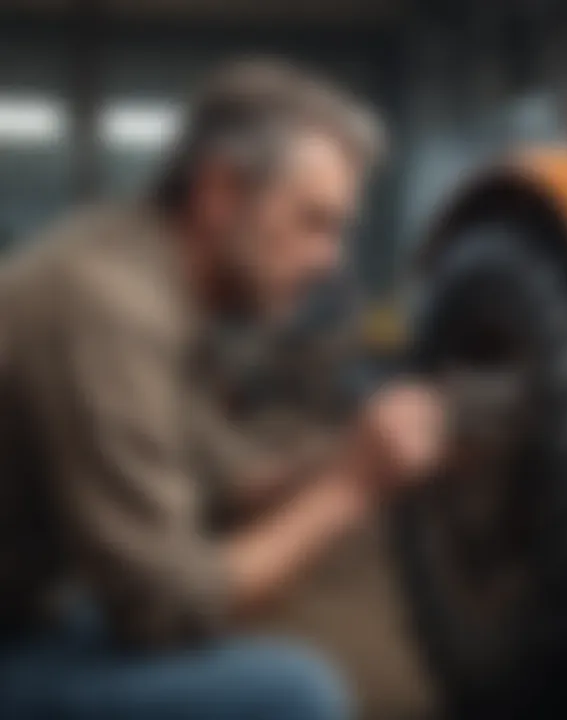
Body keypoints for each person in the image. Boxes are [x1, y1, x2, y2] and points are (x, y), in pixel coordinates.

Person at [0, 59, 447, 719]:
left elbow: (229, 480)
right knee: (291, 696)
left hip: (22, 614)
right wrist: (353, 484)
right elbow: (168, 608)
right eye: (313, 222)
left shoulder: (145, 273)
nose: (333, 259)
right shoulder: (109, 311)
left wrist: (365, 446)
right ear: (220, 196)